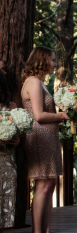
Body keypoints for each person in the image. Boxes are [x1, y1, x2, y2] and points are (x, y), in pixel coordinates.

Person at [21, 46, 70, 233]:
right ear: (41, 61)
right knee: (43, 184)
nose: (55, 63)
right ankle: (37, 231)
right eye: (52, 59)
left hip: (49, 136)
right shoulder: (33, 82)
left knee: (51, 183)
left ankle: (46, 230)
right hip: (39, 136)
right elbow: (39, 115)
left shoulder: (40, 83)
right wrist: (63, 116)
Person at [0, 70, 20, 229]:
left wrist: (17, 140)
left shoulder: (11, 107)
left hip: (7, 162)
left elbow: (17, 133)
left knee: (6, 209)